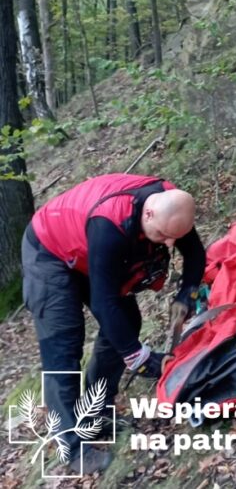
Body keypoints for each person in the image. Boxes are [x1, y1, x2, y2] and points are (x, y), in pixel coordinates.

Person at [21, 173, 205, 474]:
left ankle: (95, 413)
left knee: (127, 321)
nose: (170, 242)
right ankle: (72, 447)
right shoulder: (110, 225)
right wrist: (139, 358)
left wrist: (188, 293)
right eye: (162, 235)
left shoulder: (172, 207)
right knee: (63, 345)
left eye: (175, 237)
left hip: (86, 249)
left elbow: (195, 253)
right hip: (49, 251)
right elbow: (104, 302)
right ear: (147, 213)